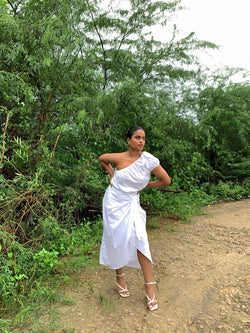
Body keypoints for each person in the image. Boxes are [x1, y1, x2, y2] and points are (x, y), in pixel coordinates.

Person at [99, 126, 171, 311]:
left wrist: (145, 185)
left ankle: (149, 287)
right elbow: (102, 159)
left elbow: (166, 180)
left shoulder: (148, 160)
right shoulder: (119, 157)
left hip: (131, 203)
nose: (141, 141)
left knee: (140, 239)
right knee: (116, 238)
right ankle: (120, 276)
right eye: (137, 137)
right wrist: (112, 175)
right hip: (113, 202)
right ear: (129, 140)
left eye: (144, 138)